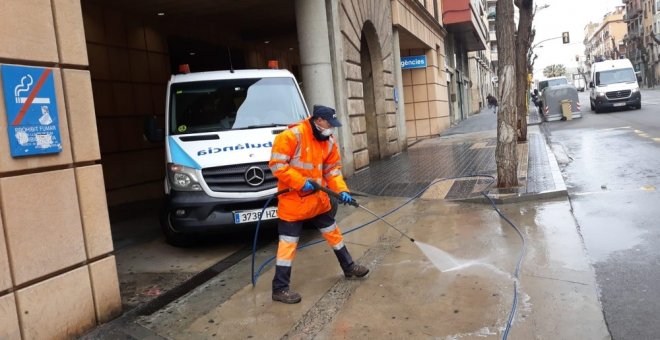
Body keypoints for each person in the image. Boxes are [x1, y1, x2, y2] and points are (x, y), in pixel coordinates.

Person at [268, 104, 369, 304]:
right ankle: (279, 289)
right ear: (319, 121)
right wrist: (300, 182)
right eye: (329, 124)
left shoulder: (329, 141)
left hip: (318, 200)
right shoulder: (291, 136)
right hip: (294, 202)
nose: (332, 129)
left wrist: (342, 191)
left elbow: (332, 170)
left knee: (333, 233)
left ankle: (349, 267)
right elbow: (277, 165)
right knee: (288, 245)